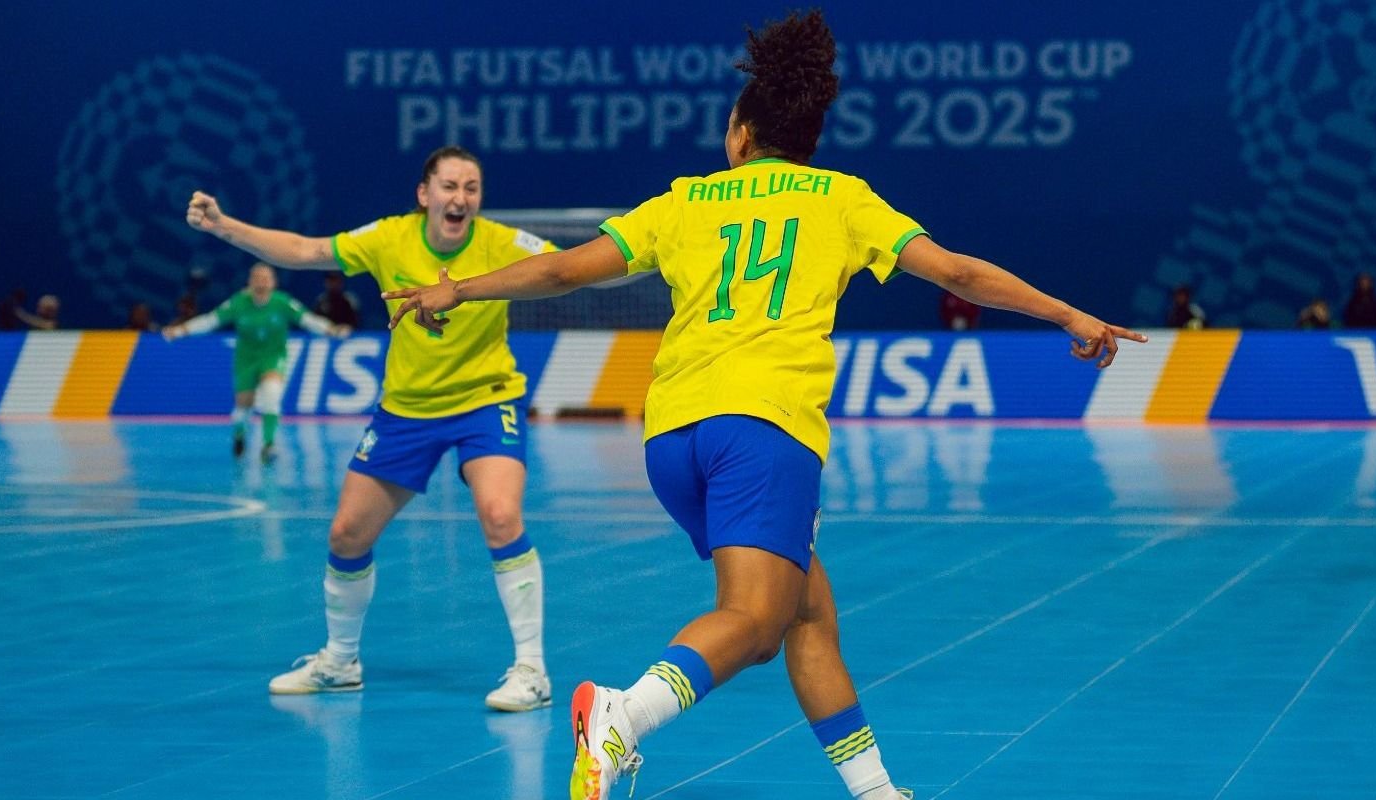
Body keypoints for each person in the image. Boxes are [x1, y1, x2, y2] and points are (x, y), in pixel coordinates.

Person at [383, 12, 1147, 799]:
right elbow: (956, 273)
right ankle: (622, 715)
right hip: (764, 431)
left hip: (672, 440)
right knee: (752, 623)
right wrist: (1068, 314)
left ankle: (877, 791)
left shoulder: (686, 200)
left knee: (805, 613)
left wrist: (459, 288)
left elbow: (563, 272)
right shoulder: (841, 199)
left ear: (743, 134)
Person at [183, 145, 560, 711]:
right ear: (424, 194)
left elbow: (567, 268)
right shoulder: (389, 237)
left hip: (487, 400)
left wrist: (647, 253)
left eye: (472, 188)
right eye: (450, 186)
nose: (461, 197)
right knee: (346, 535)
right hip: (406, 409)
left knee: (501, 516)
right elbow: (307, 250)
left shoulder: (503, 243)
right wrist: (223, 226)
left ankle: (532, 670)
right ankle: (340, 663)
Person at [164, 264, 347, 462]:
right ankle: (239, 433)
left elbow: (307, 319)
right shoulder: (238, 303)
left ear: (274, 283)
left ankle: (269, 445)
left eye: (266, 279)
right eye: (257, 279)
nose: (261, 284)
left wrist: (331, 329)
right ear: (249, 283)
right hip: (246, 360)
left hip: (273, 357)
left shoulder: (282, 302)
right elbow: (210, 320)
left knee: (271, 395)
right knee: (242, 409)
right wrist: (181, 330)